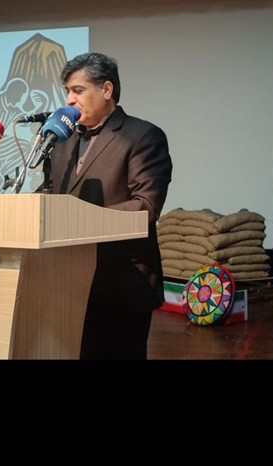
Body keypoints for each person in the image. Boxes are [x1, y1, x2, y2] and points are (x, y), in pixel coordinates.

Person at [49, 52, 173, 359]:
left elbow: (146, 206)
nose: (69, 99)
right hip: (66, 278)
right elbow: (53, 197)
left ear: (107, 89)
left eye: (78, 90)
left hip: (122, 280)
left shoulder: (143, 136)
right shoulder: (62, 142)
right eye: (67, 91)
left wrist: (80, 219)